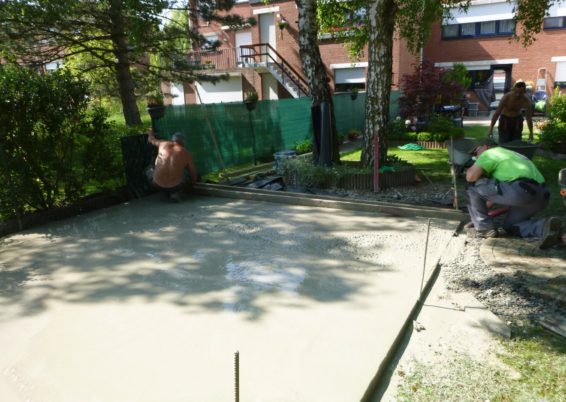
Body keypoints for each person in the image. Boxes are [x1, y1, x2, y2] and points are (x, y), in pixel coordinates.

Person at [465, 138, 562, 249]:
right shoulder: (510, 155)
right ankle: (545, 227)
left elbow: (470, 177)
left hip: (521, 191)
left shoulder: (491, 153)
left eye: (475, 152)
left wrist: (481, 221)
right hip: (541, 195)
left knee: (471, 186)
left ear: (485, 146)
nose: (475, 156)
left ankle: (484, 229)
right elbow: (492, 195)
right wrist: (478, 214)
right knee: (510, 226)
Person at [146, 128, 197, 201]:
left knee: (149, 169)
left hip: (157, 184)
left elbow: (151, 140)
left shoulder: (162, 144)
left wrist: (150, 133)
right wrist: (192, 185)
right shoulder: (187, 154)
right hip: (176, 186)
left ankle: (160, 191)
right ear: (183, 143)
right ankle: (175, 193)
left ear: (172, 140)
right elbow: (193, 174)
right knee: (186, 172)